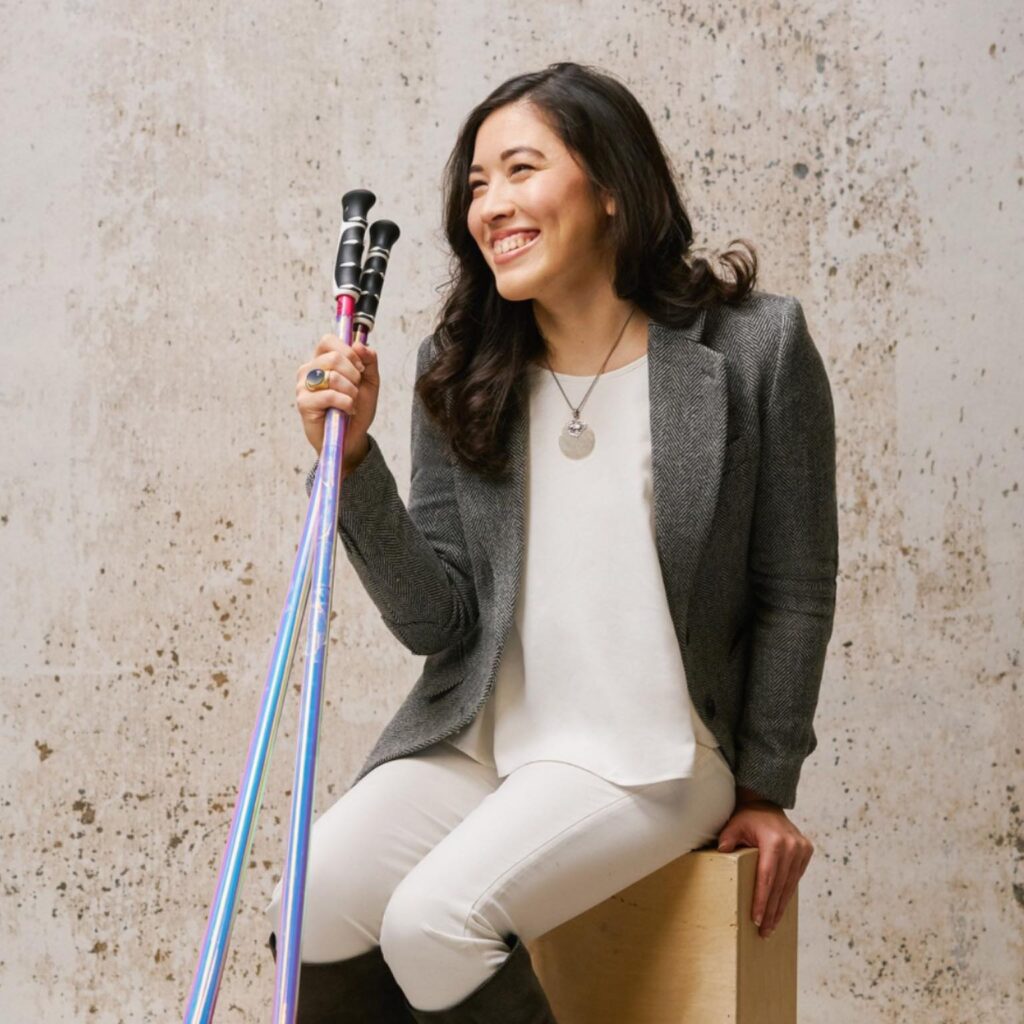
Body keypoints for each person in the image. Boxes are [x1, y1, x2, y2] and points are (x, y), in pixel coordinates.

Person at [266, 61, 838, 1023]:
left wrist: (766, 785)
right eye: (477, 186)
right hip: (488, 740)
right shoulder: (461, 370)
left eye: (521, 170)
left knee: (432, 924)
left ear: (612, 185)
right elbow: (435, 618)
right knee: (310, 897)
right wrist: (353, 466)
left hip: (655, 752)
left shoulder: (753, 349)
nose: (491, 205)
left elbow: (796, 588)